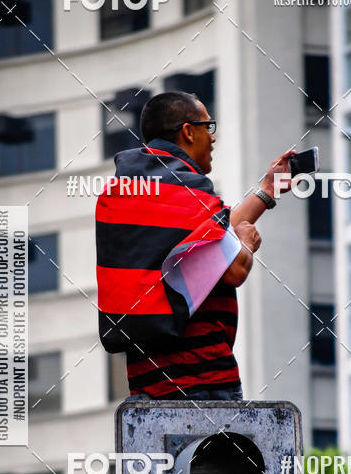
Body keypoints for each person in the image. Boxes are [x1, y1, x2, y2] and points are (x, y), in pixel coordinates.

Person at [96, 90, 294, 400]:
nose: (213, 139)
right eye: (208, 127)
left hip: (146, 385)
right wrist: (246, 243)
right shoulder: (190, 191)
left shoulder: (125, 194)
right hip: (205, 378)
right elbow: (233, 269)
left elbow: (212, 238)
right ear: (188, 132)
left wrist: (269, 189)